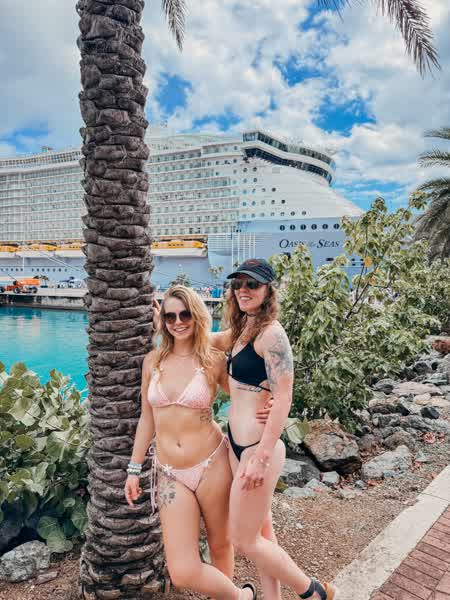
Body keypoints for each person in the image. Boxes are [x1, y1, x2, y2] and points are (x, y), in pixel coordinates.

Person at [213, 258, 337, 600]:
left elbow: (284, 396)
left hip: (257, 449)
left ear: (268, 290)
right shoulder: (243, 330)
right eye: (238, 284)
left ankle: (312, 591)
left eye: (252, 284)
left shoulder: (272, 334)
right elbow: (208, 340)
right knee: (263, 532)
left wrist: (261, 457)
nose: (243, 290)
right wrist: (165, 323)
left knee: (243, 540)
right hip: (238, 444)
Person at [124, 286, 258, 599]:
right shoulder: (152, 362)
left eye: (185, 314)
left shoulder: (212, 360)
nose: (178, 322)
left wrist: (270, 404)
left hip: (212, 464)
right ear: (162, 320)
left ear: (196, 315)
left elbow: (244, 398)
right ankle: (242, 597)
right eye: (170, 316)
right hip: (170, 473)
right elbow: (147, 418)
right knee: (181, 570)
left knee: (220, 544)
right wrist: (134, 468)